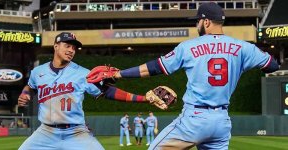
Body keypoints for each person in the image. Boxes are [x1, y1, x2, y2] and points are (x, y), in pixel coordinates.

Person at [91, 2, 279, 149]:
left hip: (193, 120)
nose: (196, 24)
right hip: (221, 122)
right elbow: (272, 65)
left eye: (197, 21)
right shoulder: (243, 48)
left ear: (206, 22)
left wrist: (118, 73)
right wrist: (240, 66)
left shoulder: (189, 47)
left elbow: (155, 67)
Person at [17, 32, 152, 150]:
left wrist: (144, 98)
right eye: (67, 46)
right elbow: (31, 87)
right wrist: (25, 94)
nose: (71, 50)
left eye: (74, 48)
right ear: (56, 46)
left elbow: (108, 92)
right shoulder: (38, 72)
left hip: (75, 132)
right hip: (45, 132)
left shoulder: (83, 73)